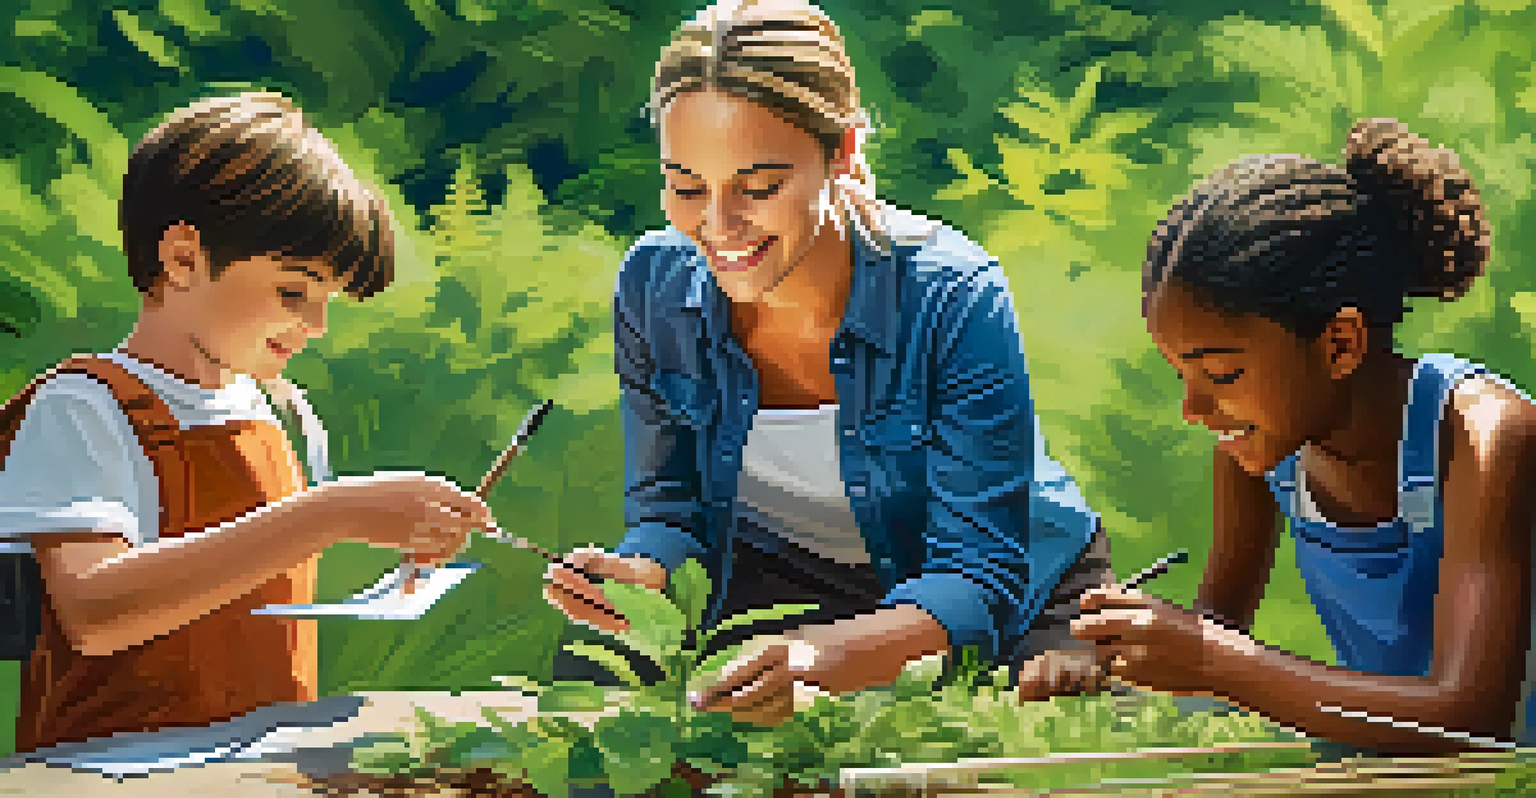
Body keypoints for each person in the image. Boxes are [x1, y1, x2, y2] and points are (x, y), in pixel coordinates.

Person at [543, 0, 1114, 726]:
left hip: (1006, 597)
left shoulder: (952, 294)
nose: (717, 227)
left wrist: (824, 658)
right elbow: (670, 512)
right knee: (599, 697)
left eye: (758, 188)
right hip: (786, 586)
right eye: (687, 187)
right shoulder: (654, 288)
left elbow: (978, 574)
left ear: (841, 153)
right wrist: (642, 574)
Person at [0, 92, 493, 752]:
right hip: (112, 774)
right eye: (294, 291)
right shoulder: (84, 408)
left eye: (327, 301)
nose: (315, 326)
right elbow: (92, 611)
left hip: (261, 766)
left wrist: (396, 538)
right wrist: (332, 514)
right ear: (182, 258)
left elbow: (261, 587)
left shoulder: (277, 413)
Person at [1072, 117, 1536, 755]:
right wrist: (1117, 657)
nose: (1194, 407)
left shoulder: (1482, 437)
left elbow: (1472, 717)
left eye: (1223, 373)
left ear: (1339, 344)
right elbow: (1214, 640)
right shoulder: (1259, 455)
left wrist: (1211, 660)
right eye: (1181, 375)